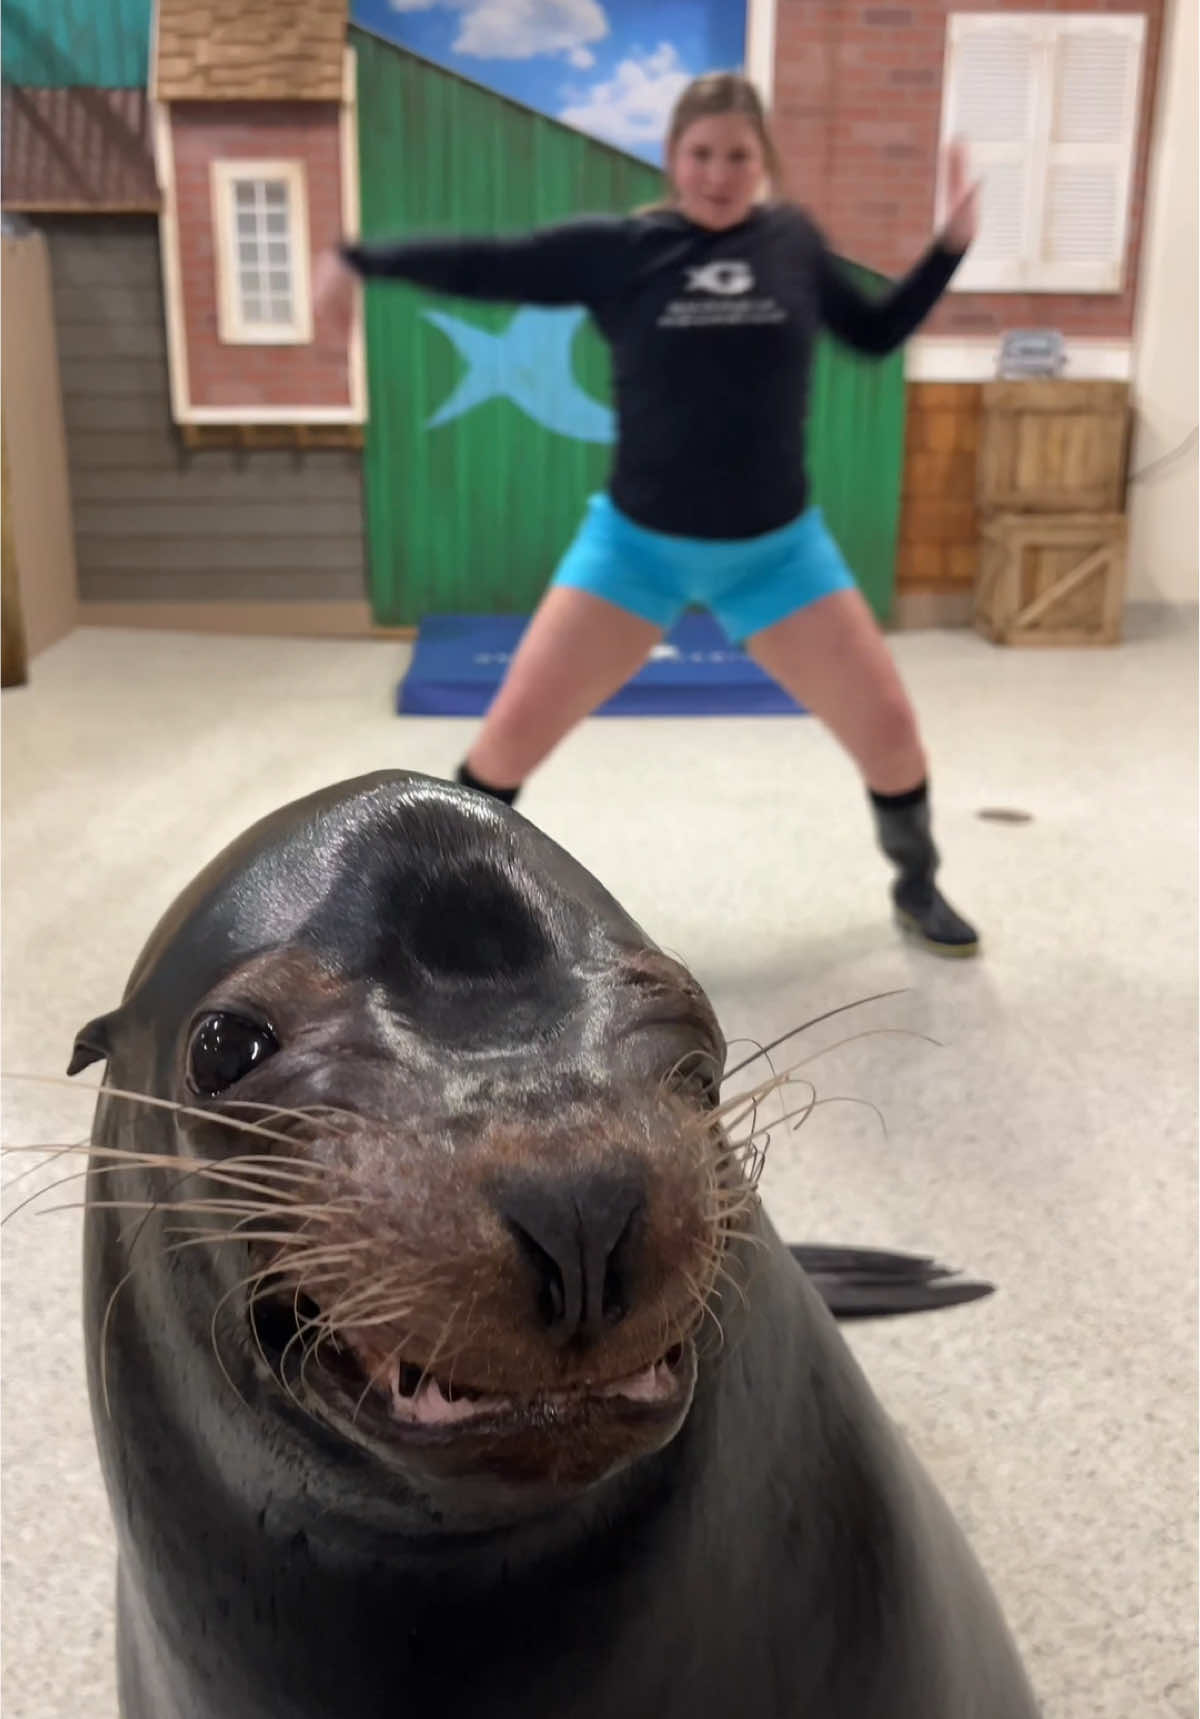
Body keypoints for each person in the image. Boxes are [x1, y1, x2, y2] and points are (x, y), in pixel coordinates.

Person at [314, 72, 982, 957]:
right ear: (674, 158)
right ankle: (437, 910)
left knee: (891, 732)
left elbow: (874, 332)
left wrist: (949, 250)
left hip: (780, 555)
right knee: (505, 746)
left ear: (761, 161)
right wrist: (361, 261)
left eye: (737, 155)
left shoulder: (791, 243)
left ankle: (917, 886)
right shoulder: (623, 249)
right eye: (700, 153)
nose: (717, 172)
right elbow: (490, 260)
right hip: (634, 553)